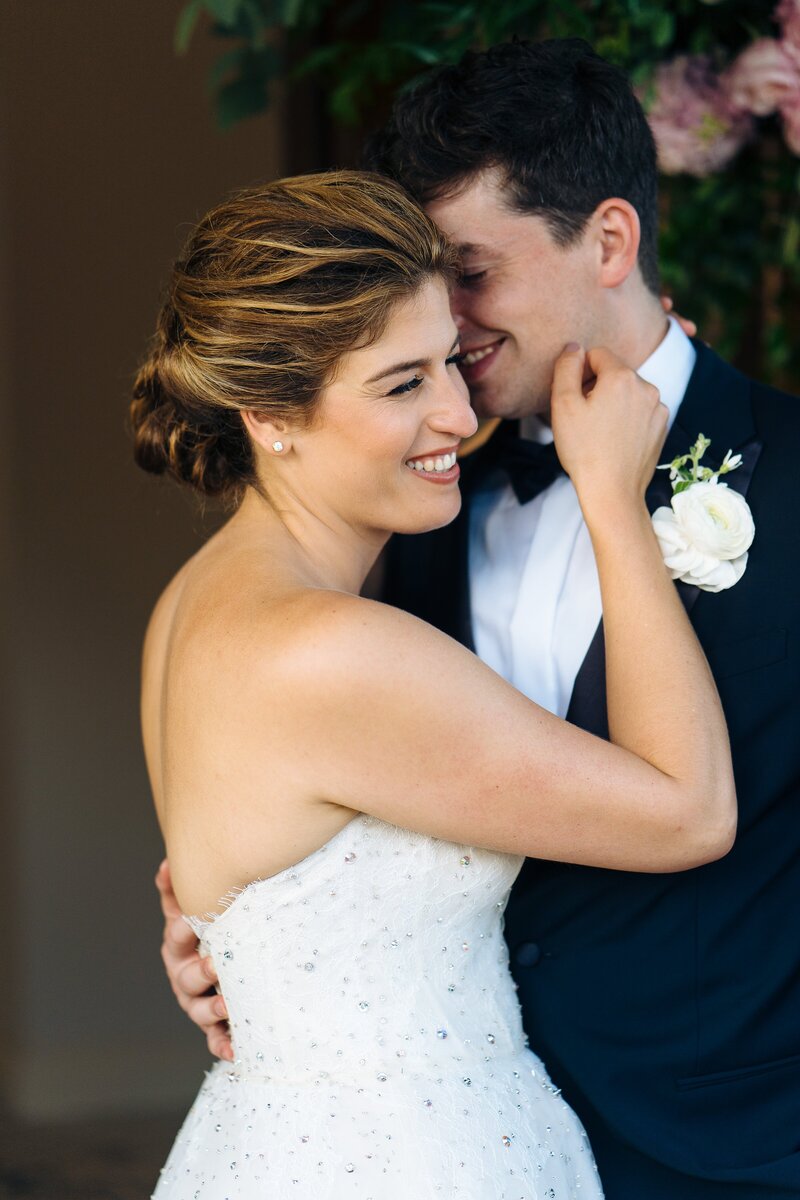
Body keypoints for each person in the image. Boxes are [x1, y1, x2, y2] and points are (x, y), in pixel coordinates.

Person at [159, 40, 800, 1199]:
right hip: (441, 1142)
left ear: (607, 241)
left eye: (464, 273)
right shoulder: (405, 491)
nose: (441, 332)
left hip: (734, 1146)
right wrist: (240, 933)